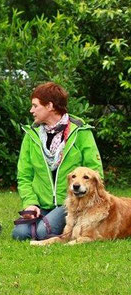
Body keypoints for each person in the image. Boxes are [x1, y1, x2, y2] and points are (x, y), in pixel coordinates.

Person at [12, 82, 103, 241]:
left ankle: (62, 225)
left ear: (50, 106)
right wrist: (31, 203)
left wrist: (82, 203)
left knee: (42, 233)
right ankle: (46, 219)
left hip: (72, 203)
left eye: (35, 106)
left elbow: (95, 172)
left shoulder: (81, 132)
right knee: (19, 234)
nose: (31, 111)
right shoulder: (31, 135)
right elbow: (24, 176)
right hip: (41, 204)